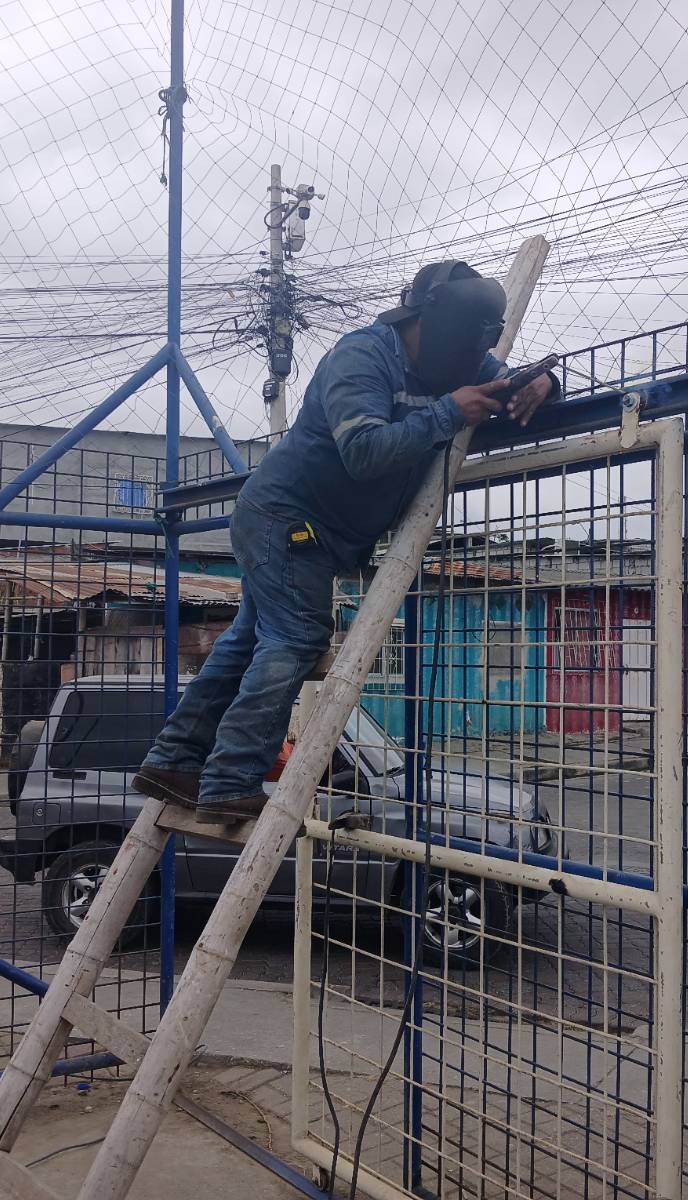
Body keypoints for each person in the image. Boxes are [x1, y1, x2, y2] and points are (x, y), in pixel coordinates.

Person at [135, 260, 557, 823]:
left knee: (246, 643)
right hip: (286, 518)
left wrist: (544, 383)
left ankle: (174, 759)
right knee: (296, 638)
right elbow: (364, 452)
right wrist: (448, 412)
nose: (470, 362)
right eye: (463, 345)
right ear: (429, 321)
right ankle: (230, 780)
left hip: (314, 531)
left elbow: (507, 382)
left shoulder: (457, 360)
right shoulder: (362, 357)